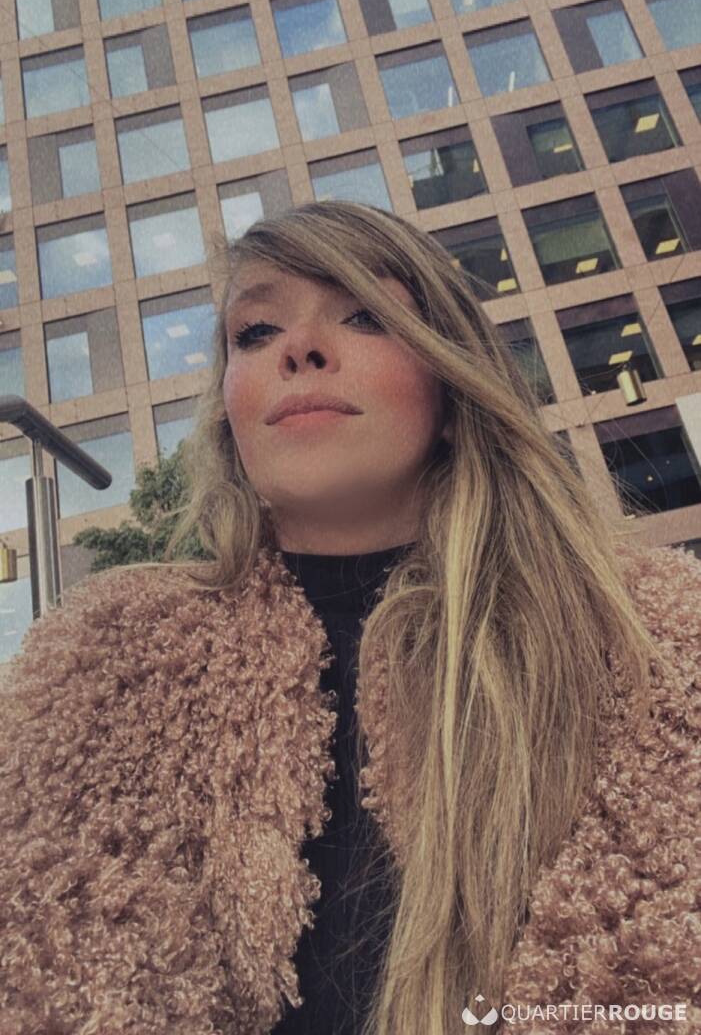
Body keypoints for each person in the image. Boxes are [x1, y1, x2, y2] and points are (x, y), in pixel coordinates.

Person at [0, 199, 698, 1035]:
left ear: (451, 383)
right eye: (255, 331)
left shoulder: (653, 637)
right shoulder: (104, 661)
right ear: (227, 411)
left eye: (366, 315)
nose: (298, 347)